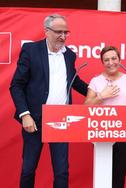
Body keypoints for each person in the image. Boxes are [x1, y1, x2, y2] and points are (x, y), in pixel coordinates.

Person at [9, 14, 88, 188]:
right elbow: (16, 85)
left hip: (61, 120)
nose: (63, 36)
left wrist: (95, 91)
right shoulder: (31, 50)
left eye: (66, 32)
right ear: (46, 31)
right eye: (59, 32)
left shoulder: (69, 56)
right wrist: (25, 115)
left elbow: (73, 80)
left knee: (62, 171)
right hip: (35, 119)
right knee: (28, 169)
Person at [84, 46, 126, 188]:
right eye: (106, 60)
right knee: (103, 176)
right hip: (102, 132)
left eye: (114, 58)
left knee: (119, 176)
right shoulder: (96, 81)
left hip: (125, 133)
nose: (110, 62)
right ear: (102, 62)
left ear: (120, 60)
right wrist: (102, 96)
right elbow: (86, 107)